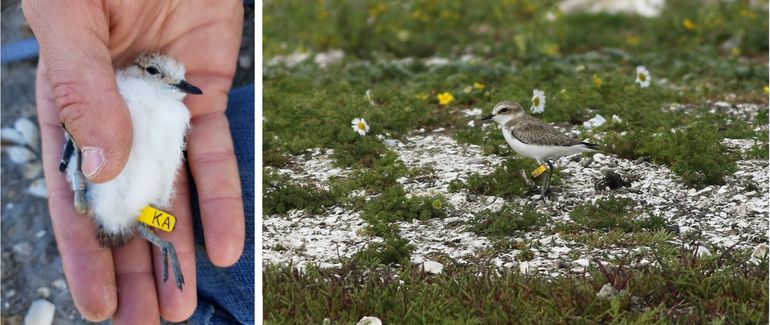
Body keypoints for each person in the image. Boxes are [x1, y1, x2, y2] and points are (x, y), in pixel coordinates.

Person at [21, 1, 252, 323]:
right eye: (158, 73)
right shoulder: (125, 88)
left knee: (158, 221)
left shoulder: (176, 112)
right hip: (111, 196)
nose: (176, 84)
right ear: (141, 72)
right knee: (126, 211)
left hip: (136, 205)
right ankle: (80, 185)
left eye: (178, 79)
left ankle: (165, 248)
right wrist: (74, 146)